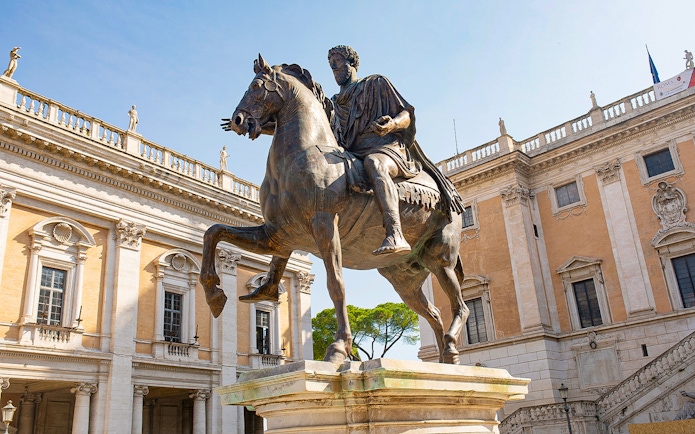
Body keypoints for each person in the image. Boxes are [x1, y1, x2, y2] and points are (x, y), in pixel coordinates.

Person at [327, 45, 463, 255]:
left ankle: (395, 233)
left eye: (337, 63)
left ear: (351, 63)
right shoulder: (334, 103)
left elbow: (406, 115)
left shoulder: (376, 83)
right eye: (331, 66)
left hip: (386, 148)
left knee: (375, 164)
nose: (334, 69)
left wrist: (391, 125)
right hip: (352, 154)